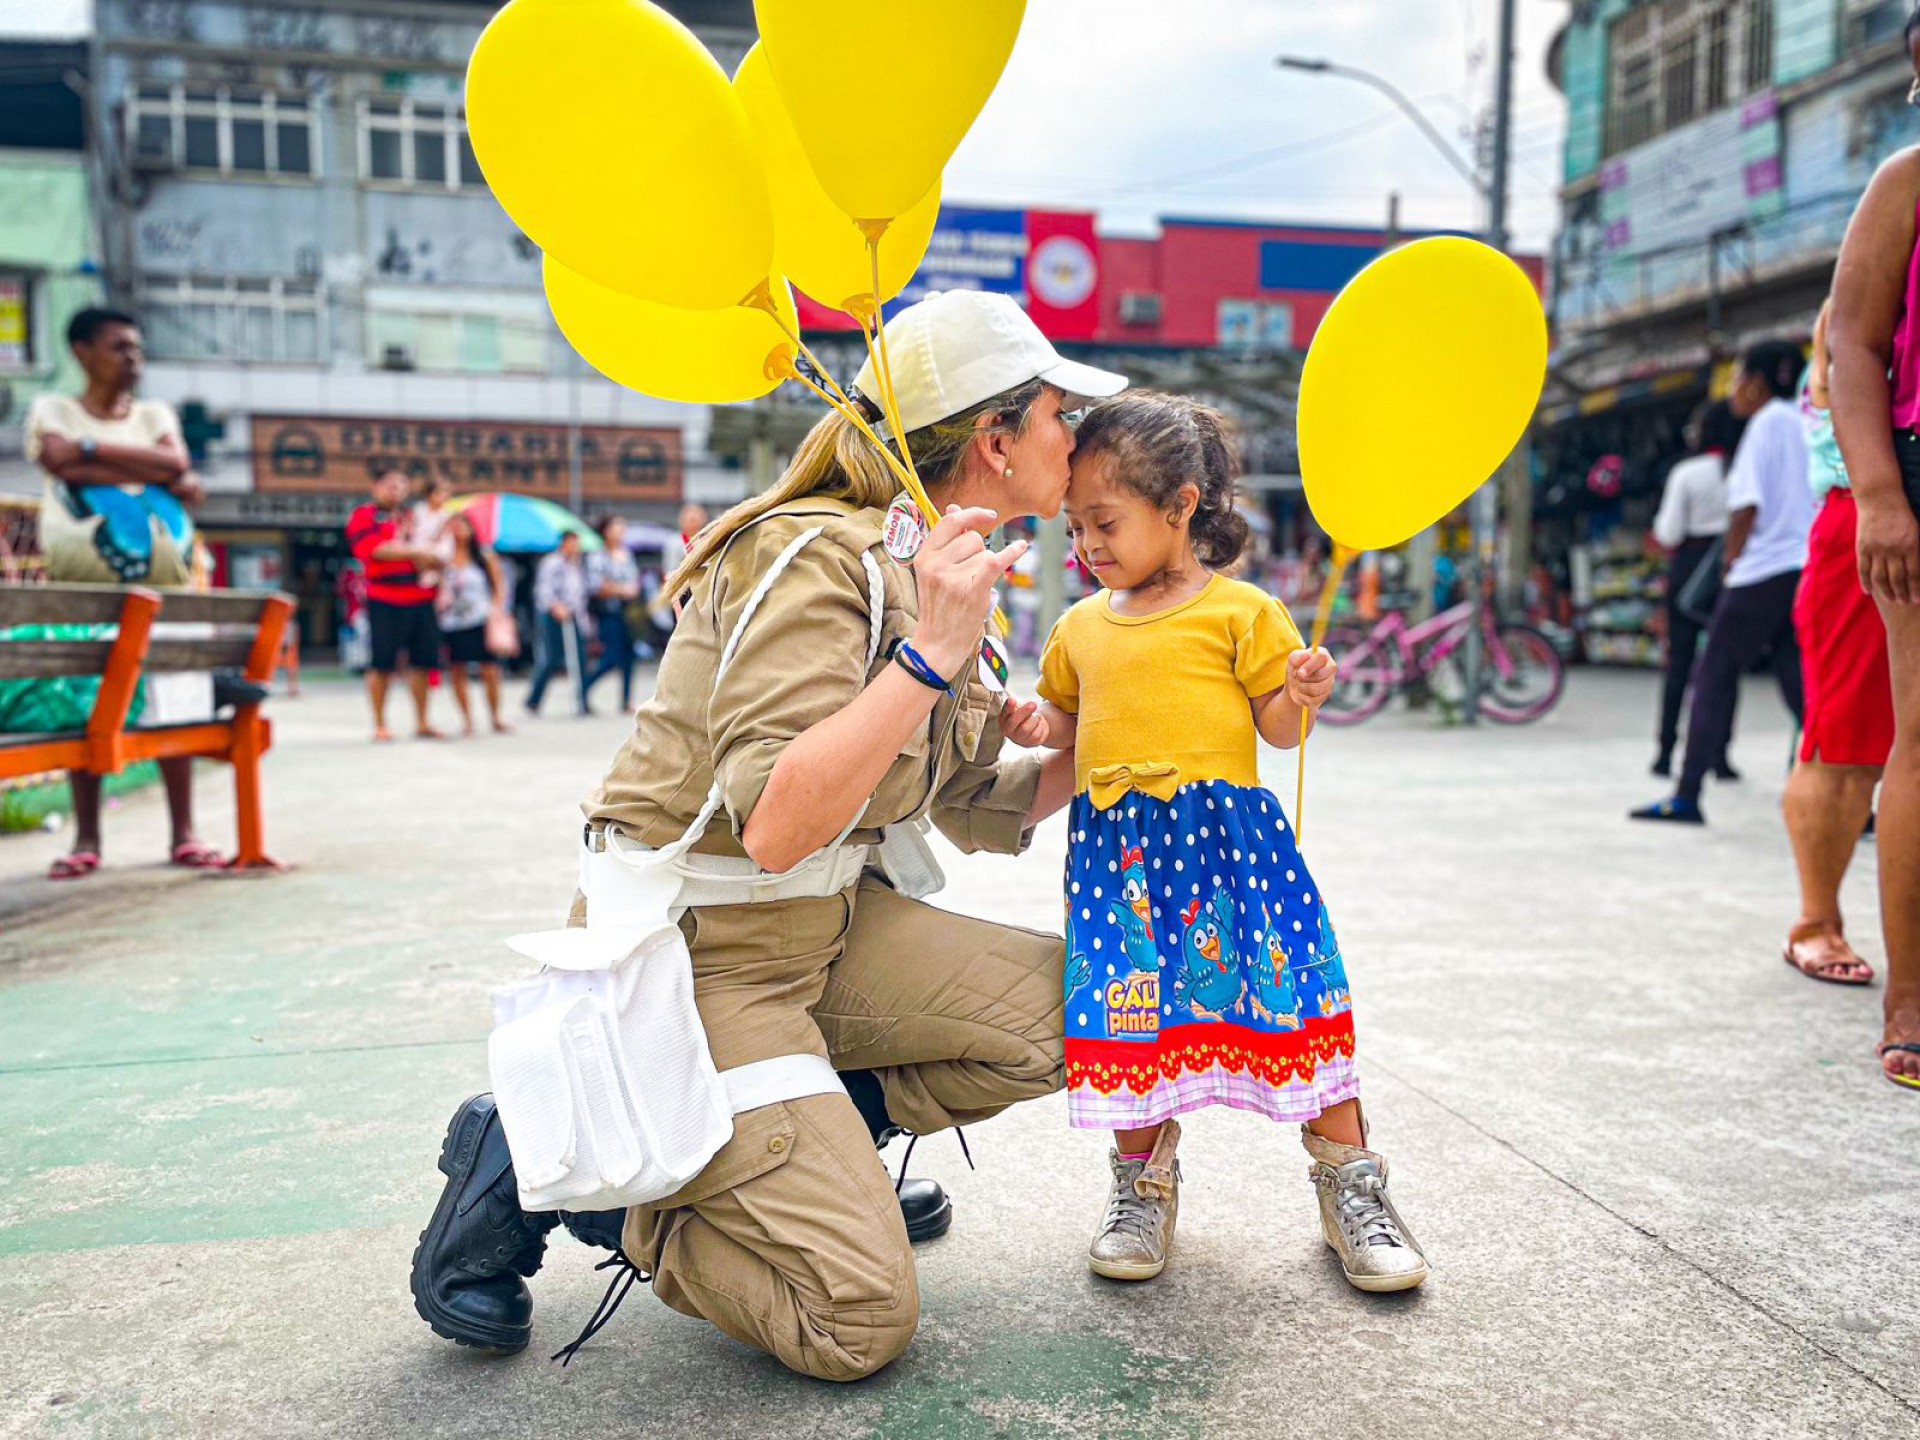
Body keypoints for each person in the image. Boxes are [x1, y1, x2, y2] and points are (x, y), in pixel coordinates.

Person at [409, 287, 1126, 1378]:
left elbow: (978, 803)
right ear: (993, 440)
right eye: (1058, 416)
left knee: (1091, 1014)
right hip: (703, 956)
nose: (1074, 438)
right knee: (855, 1324)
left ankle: (799, 1152)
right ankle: (616, 1182)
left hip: (827, 935)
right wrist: (928, 657)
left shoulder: (931, 560)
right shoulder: (815, 559)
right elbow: (781, 824)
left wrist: (1127, 726)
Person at [998, 392, 1427, 1292]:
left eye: (1105, 522)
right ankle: (1141, 1185)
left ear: (1182, 505)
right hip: (1122, 865)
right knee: (1126, 1015)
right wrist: (1030, 726)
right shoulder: (1079, 628)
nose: (1088, 546)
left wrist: (1300, 693)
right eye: (1076, 527)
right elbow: (1067, 727)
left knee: (1299, 1001)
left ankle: (1351, 1183)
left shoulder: (1244, 612)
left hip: (1235, 857)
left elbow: (1277, 732)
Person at [24, 306, 224, 878]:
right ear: (82, 352)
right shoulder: (51, 408)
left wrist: (89, 456)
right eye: (119, 347)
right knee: (88, 708)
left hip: (164, 592)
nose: (132, 358)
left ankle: (184, 832)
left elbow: (178, 463)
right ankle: (88, 838)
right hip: (84, 594)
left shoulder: (155, 412)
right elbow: (60, 460)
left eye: (136, 348)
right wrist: (153, 472)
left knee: (175, 705)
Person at [1822, 10, 1920, 1088]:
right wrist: (1882, 498)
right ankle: (1912, 1000)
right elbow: (1851, 339)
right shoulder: (1908, 180)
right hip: (1917, 480)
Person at [1632, 340, 1814, 825]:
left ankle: (1688, 793)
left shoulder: (1765, 424)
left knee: (1714, 673)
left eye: (1736, 378)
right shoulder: (1808, 420)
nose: (1733, 390)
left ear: (1756, 382)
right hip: (1803, 565)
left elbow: (1747, 503)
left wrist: (1731, 561)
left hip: (1762, 567)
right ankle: (1842, 793)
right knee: (1798, 679)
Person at [1773, 302, 1894, 987]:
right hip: (1868, 516)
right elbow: (1846, 364)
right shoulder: (1879, 262)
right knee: (1842, 741)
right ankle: (1815, 923)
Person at [1648, 401, 1745, 778]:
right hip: (1732, 567)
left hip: (1689, 568)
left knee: (1679, 664)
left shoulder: (1688, 473)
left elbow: (1668, 532)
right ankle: (1719, 756)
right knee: (1725, 665)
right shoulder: (1744, 469)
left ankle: (1665, 751)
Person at [345, 469, 446, 742]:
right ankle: (380, 723)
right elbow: (374, 551)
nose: (396, 490)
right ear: (375, 486)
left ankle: (423, 720)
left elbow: (435, 553)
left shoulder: (414, 518)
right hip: (384, 598)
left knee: (424, 662)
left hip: (422, 598)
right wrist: (416, 552)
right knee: (382, 664)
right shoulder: (364, 516)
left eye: (402, 484)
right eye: (390, 484)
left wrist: (430, 556)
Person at [438, 511, 513, 736]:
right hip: (451, 621)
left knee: (489, 670)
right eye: (453, 526)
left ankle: (495, 716)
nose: (458, 531)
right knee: (457, 670)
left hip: (480, 619)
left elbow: (500, 585)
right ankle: (467, 719)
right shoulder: (441, 557)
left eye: (462, 526)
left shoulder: (483, 556)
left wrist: (496, 609)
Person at [524, 530, 589, 717]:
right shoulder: (552, 563)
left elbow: (579, 593)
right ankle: (534, 699)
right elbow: (543, 590)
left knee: (580, 658)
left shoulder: (576, 565)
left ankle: (581, 700)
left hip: (573, 615)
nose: (575, 547)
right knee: (552, 657)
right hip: (554, 615)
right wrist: (556, 607)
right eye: (572, 543)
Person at [582, 515, 642, 712]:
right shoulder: (598, 556)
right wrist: (621, 589)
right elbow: (596, 586)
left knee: (628, 656)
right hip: (608, 611)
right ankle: (583, 687)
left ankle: (625, 699)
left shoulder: (626, 554)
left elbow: (634, 581)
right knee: (611, 656)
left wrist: (627, 589)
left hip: (628, 613)